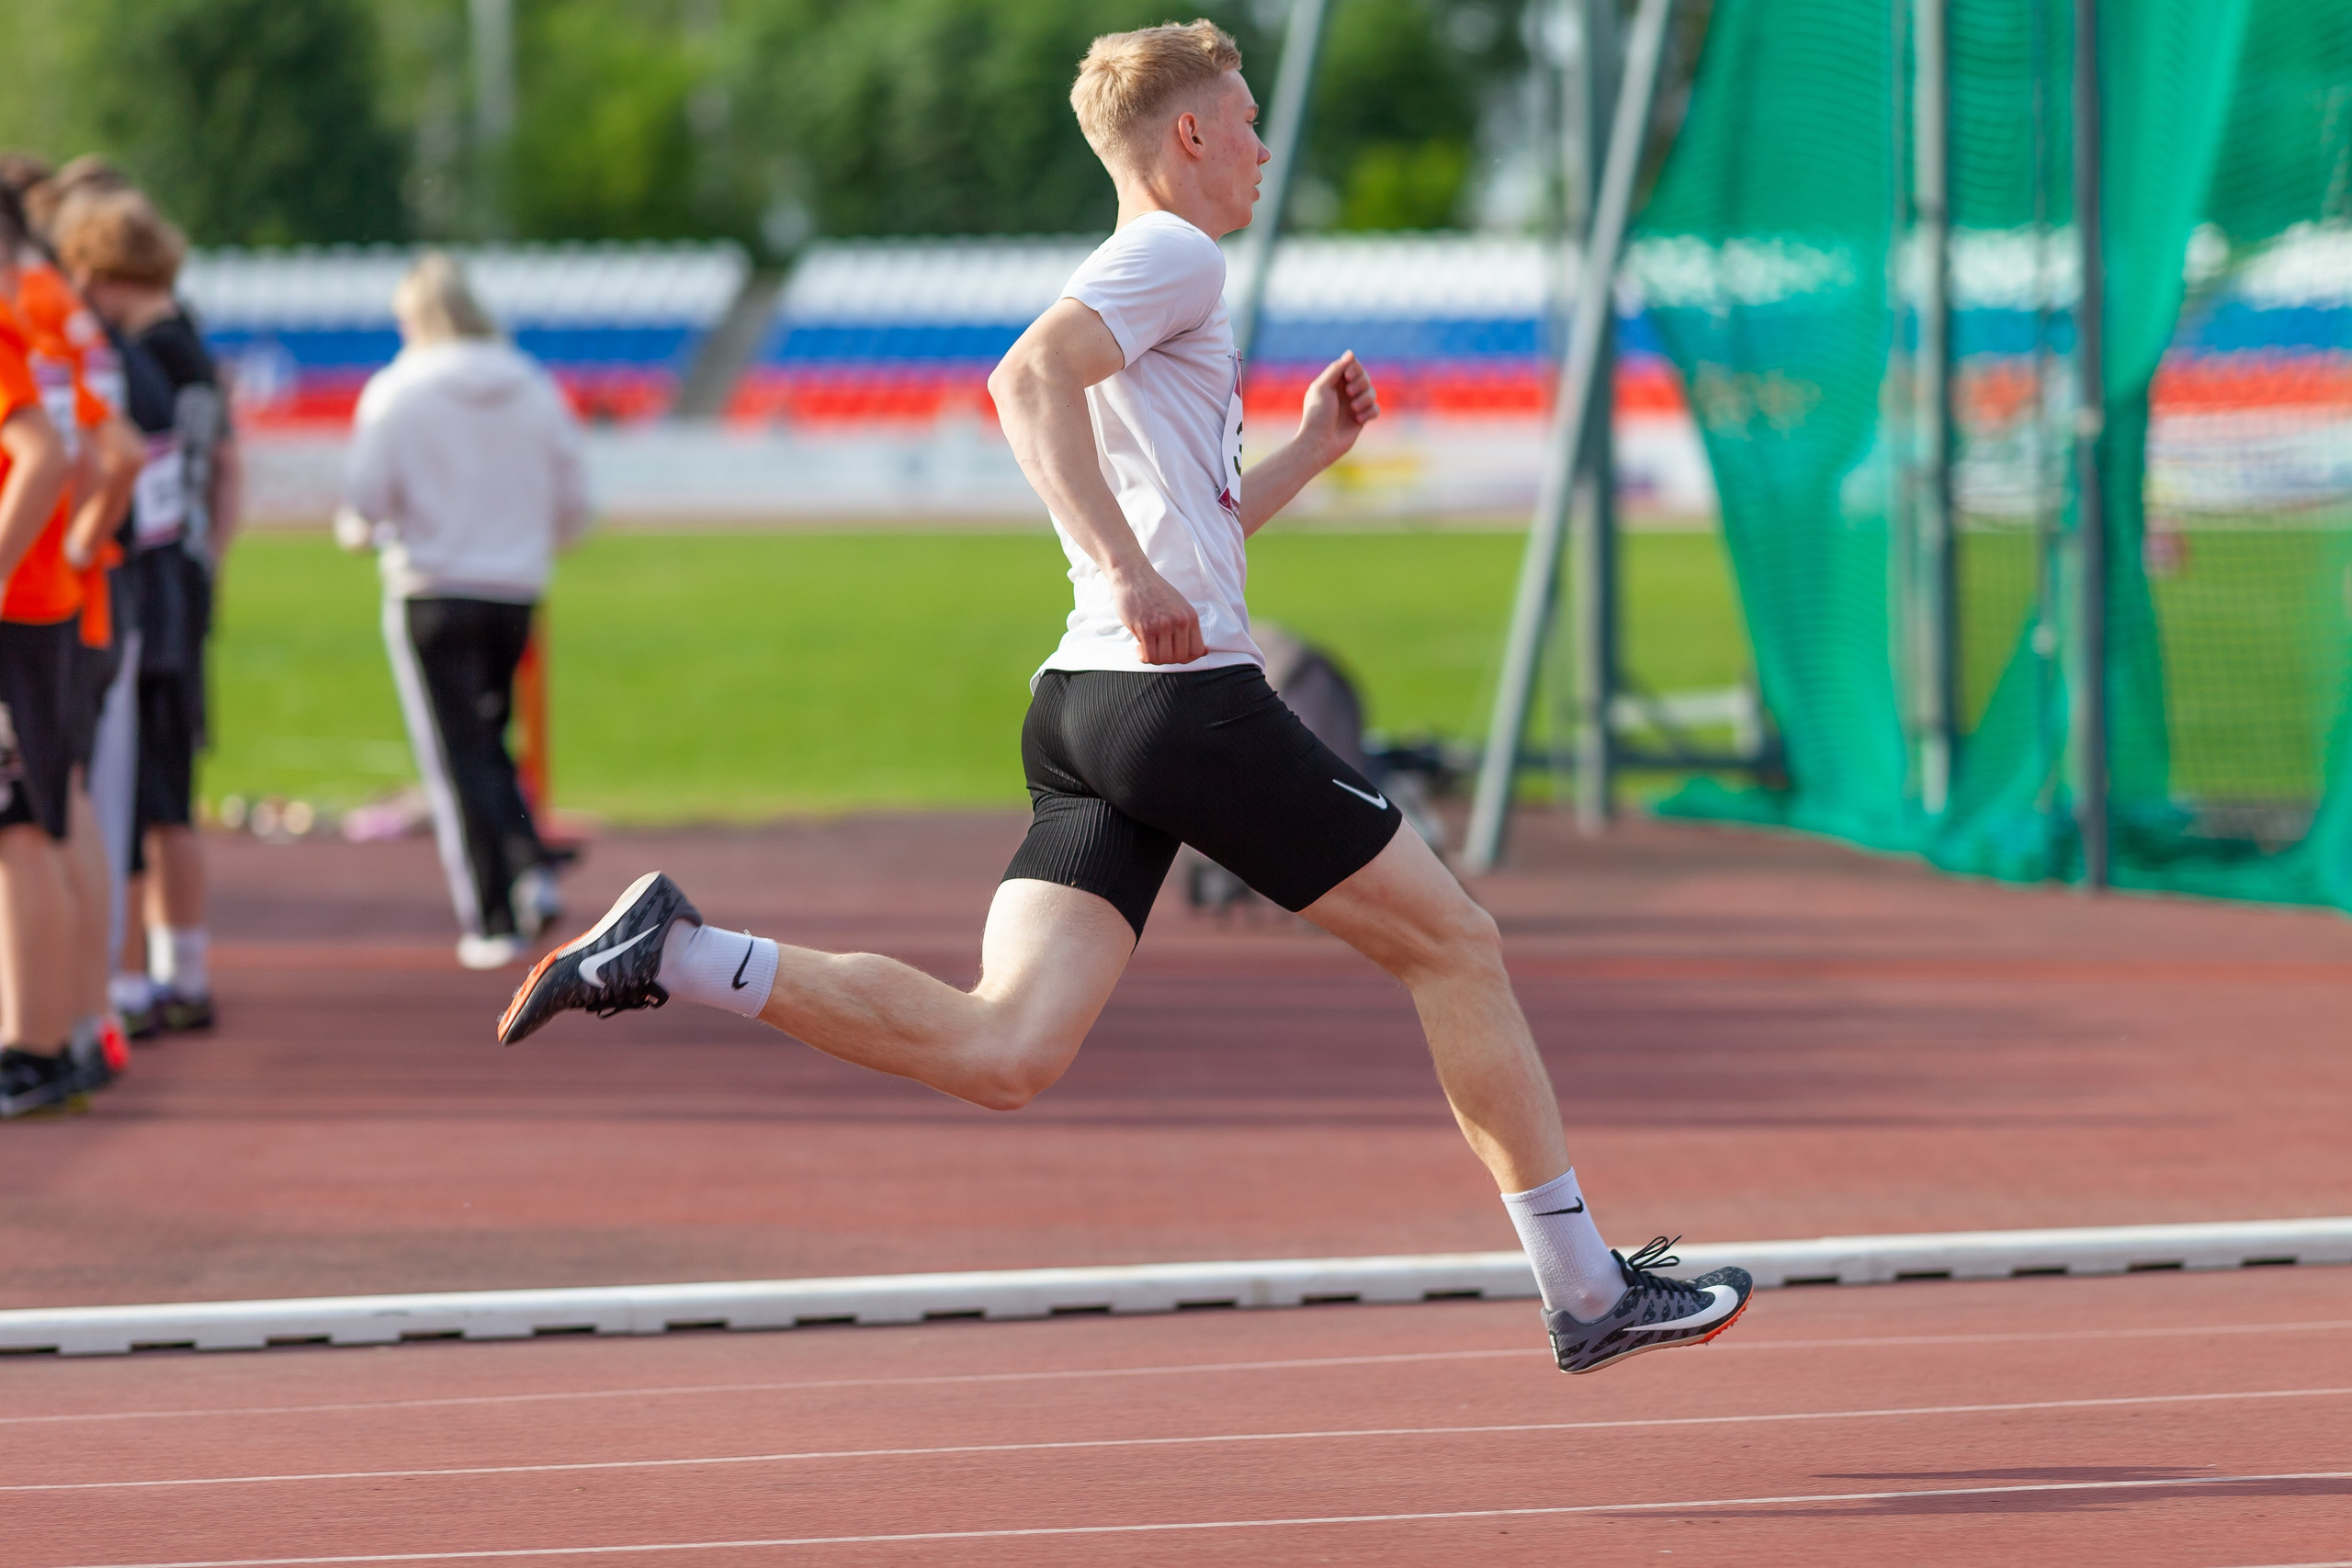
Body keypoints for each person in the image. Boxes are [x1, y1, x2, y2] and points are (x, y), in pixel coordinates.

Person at [498, 20, 1751, 1375]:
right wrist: (1126, 562)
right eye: (1248, 118)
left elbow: (1200, 525)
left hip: (1088, 704)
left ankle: (681, 952)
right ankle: (1585, 1284)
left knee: (1006, 1046)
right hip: (1181, 702)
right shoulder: (1174, 250)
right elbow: (1020, 381)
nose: (1267, 147)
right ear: (1190, 135)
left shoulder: (1146, 275)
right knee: (1456, 942)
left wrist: (1308, 456)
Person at [339, 252, 588, 970]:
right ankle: (527, 865)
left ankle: (492, 914)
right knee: (489, 740)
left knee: (456, 757)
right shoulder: (533, 386)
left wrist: (364, 534)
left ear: (414, 317)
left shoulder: (396, 390)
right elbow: (575, 500)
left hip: (431, 588)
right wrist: (526, 548)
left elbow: (365, 502)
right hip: (514, 591)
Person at [54, 186, 235, 1033]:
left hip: (147, 585)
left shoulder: (141, 360)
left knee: (135, 792)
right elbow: (222, 473)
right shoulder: (190, 345)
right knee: (165, 791)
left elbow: (135, 474)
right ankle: (176, 968)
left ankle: (130, 978)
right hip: (182, 580)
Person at [0, 185, 92, 1117]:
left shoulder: (19, 317)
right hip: (46, 601)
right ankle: (56, 1035)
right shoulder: (47, 314)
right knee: (44, 825)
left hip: (21, 608)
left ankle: (34, 1046)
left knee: (20, 831)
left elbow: (48, 455)